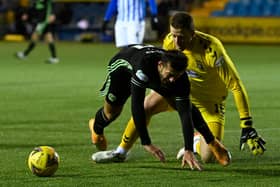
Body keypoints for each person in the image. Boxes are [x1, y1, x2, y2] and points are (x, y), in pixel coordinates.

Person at [91, 12, 266, 164]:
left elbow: (235, 86)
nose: (176, 41)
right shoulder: (169, 42)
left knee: (207, 157)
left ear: (192, 32)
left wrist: (247, 125)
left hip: (209, 103)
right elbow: (163, 70)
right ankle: (121, 151)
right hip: (178, 90)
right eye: (173, 35)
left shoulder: (212, 50)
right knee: (145, 106)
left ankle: (197, 142)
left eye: (181, 36)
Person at [89, 44, 231, 170]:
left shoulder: (177, 77)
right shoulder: (144, 68)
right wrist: (146, 142)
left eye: (176, 76)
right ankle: (96, 128)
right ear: (160, 65)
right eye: (170, 75)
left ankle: (212, 142)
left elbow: (185, 113)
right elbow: (137, 106)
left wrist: (188, 149)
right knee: (111, 113)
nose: (172, 80)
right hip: (121, 70)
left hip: (153, 74)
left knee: (180, 104)